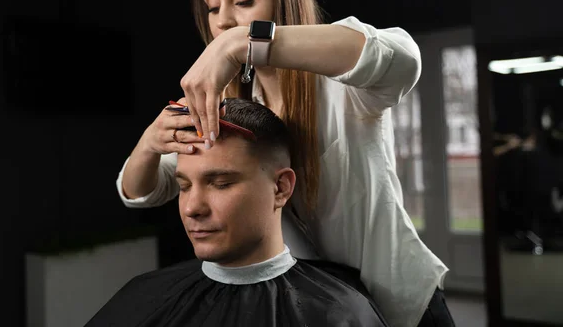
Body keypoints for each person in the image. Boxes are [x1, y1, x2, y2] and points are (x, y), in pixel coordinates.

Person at [116, 0, 454, 327]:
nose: (224, 20)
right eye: (211, 7)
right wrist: (149, 144)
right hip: (319, 308)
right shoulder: (229, 107)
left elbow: (402, 58)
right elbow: (143, 191)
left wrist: (242, 41)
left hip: (400, 303)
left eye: (243, 1)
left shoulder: (344, 86)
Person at [88, 98, 388, 327]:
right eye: (184, 186)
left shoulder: (340, 313)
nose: (193, 208)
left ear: (281, 188)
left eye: (220, 184)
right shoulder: (143, 298)